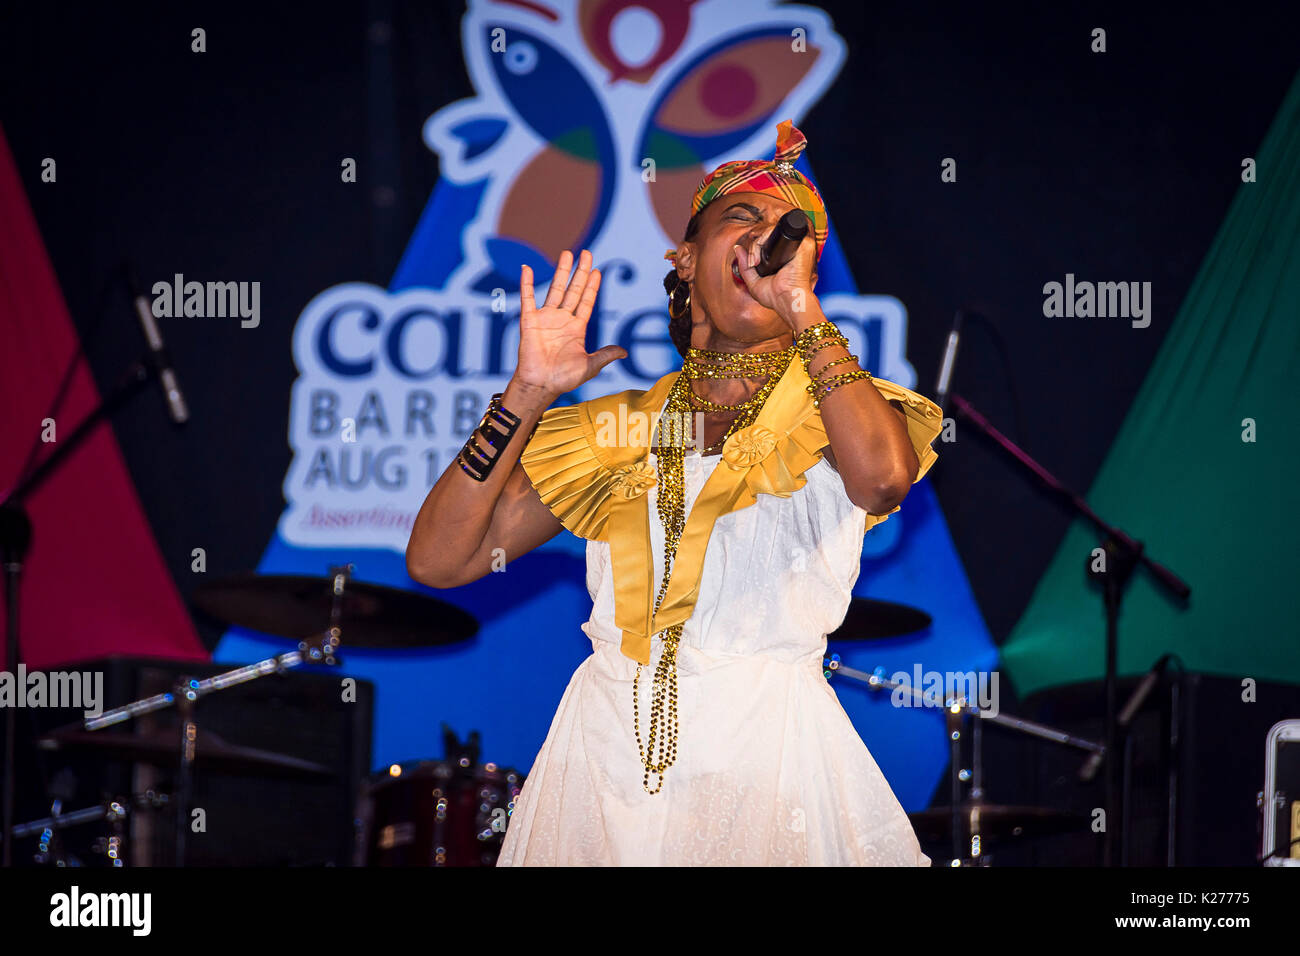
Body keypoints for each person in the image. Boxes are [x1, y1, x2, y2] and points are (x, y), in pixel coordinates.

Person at [406, 121, 941, 865]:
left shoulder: (838, 410)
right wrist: (525, 394)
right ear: (687, 260)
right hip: (602, 772)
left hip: (769, 761)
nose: (766, 237)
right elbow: (441, 560)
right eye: (742, 219)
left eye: (790, 232)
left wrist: (804, 312)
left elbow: (883, 481)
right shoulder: (619, 427)